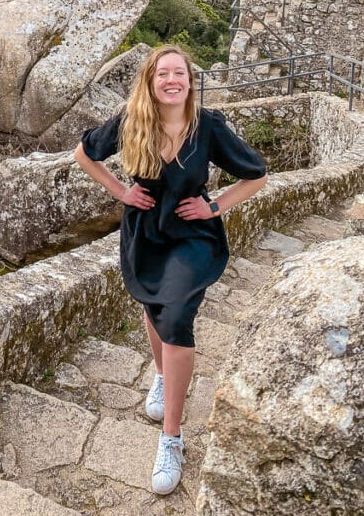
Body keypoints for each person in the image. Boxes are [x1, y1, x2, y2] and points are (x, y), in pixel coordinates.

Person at [74, 45, 267, 496]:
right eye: (163, 73)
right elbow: (85, 154)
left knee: (176, 314)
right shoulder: (131, 119)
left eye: (179, 72)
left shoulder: (209, 126)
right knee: (153, 300)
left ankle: (172, 438)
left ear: (189, 81)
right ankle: (162, 377)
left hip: (193, 234)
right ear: (151, 80)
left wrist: (215, 205)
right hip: (145, 231)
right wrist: (121, 191)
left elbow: (256, 174)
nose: (172, 80)